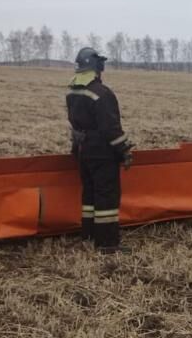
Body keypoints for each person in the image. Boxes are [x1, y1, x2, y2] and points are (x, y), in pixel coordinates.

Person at [66, 47, 134, 254]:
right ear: (96, 66)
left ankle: (89, 235)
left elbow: (75, 124)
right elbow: (110, 129)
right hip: (101, 152)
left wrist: (75, 148)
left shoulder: (73, 91)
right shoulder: (102, 94)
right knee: (107, 197)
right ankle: (107, 244)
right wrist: (124, 150)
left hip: (83, 151)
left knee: (90, 195)